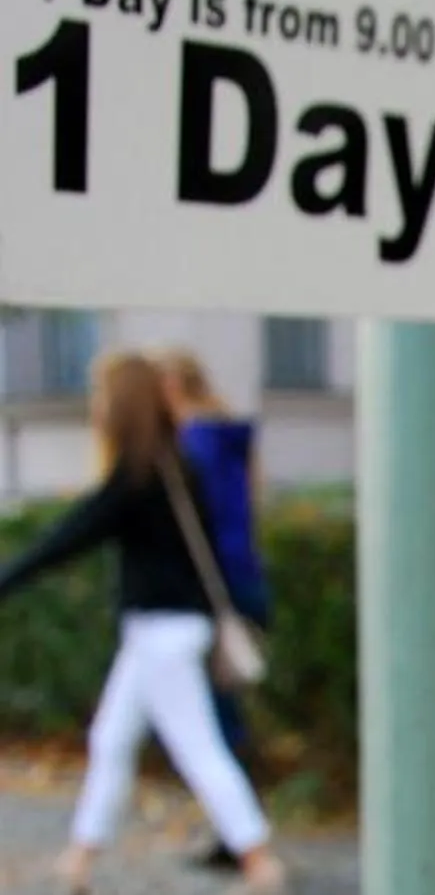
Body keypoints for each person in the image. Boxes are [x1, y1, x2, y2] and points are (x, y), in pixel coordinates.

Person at [0, 349, 288, 895]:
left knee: (198, 751)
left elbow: (63, 540)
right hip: (167, 631)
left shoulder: (136, 480)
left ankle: (260, 863)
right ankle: (78, 863)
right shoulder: (178, 470)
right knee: (111, 741)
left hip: (162, 633)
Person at [159, 348, 271, 860]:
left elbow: (205, 528)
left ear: (171, 388)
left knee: (214, 720)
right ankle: (238, 833)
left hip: (212, 591)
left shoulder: (194, 442)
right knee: (221, 713)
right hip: (239, 581)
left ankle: (241, 838)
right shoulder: (226, 438)